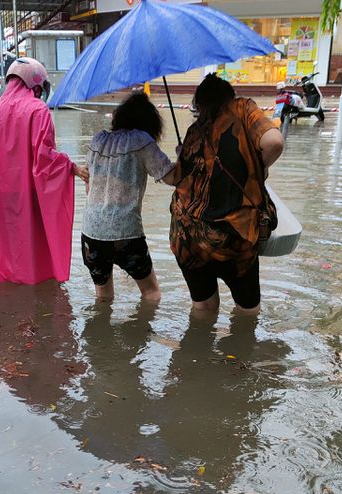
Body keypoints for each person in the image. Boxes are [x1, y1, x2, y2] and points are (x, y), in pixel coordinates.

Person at [0, 57, 88, 287]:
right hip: (28, 195)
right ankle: (35, 293)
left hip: (2, 197)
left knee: (10, 246)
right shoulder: (37, 110)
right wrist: (72, 168)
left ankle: (13, 293)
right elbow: (44, 159)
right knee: (32, 247)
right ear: (37, 86)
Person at [170, 74, 285, 315]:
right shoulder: (242, 109)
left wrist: (183, 155)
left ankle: (196, 352)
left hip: (188, 238)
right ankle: (239, 351)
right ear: (229, 96)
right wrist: (257, 169)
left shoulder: (194, 131)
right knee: (247, 312)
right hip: (235, 239)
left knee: (203, 309)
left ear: (199, 104)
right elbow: (274, 142)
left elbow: (175, 180)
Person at [82, 92, 177, 302]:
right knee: (151, 293)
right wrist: (184, 157)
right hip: (125, 234)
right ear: (150, 122)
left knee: (103, 298)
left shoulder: (98, 140)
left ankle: (100, 334)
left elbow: (89, 184)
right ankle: (142, 333)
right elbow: (171, 177)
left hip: (91, 232)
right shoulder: (142, 141)